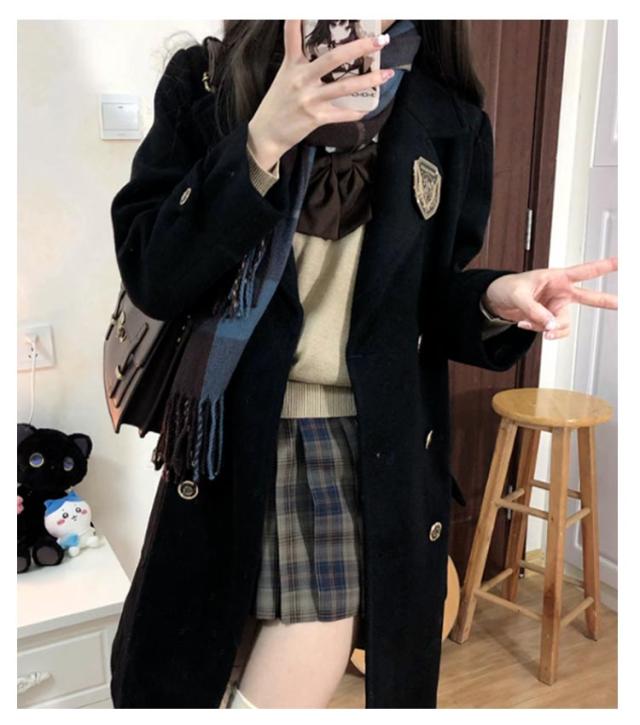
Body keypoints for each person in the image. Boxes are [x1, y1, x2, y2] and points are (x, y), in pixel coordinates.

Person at [109, 20, 618, 709]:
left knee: (306, 636)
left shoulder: (446, 116)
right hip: (225, 434)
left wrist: (494, 296)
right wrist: (261, 141)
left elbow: (429, 295)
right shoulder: (211, 81)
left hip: (363, 440)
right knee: (204, 660)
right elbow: (154, 272)